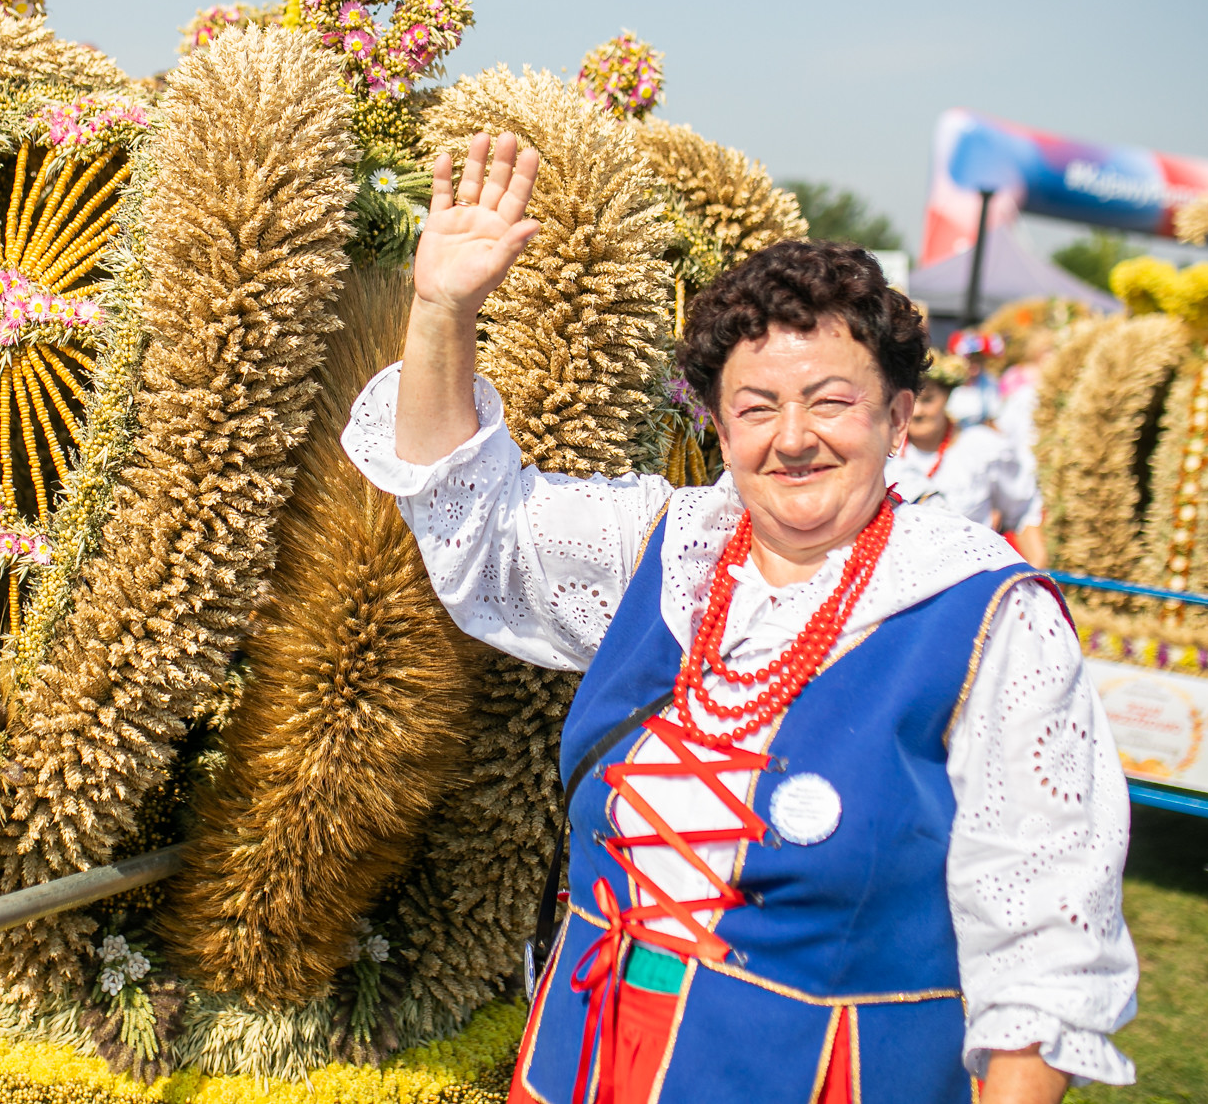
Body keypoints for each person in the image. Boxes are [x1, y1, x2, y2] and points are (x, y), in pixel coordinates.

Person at [342, 134, 1137, 1103]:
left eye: (830, 401)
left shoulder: (981, 615)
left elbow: (1044, 945)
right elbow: (475, 514)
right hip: (584, 1065)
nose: (792, 436)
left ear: (895, 419)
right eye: (755, 406)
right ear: (718, 430)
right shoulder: (665, 547)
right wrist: (441, 310)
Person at [885, 353, 1049, 568]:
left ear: (947, 397)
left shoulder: (983, 447)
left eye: (927, 400)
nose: (916, 412)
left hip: (975, 579)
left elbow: (1023, 509)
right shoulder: (884, 450)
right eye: (907, 402)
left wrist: (1038, 571)